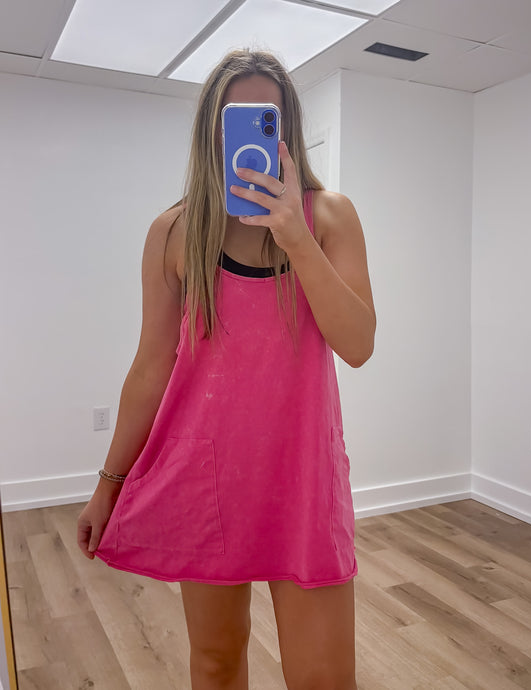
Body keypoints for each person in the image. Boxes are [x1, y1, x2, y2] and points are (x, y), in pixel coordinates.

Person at [77, 48, 376, 690]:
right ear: (211, 132)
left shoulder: (329, 218)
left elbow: (357, 344)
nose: (249, 137)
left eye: (266, 119)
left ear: (286, 129)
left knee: (324, 679)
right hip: (207, 481)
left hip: (304, 481)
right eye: (235, 120)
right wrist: (108, 484)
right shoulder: (175, 232)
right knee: (215, 664)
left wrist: (295, 236)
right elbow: (150, 368)